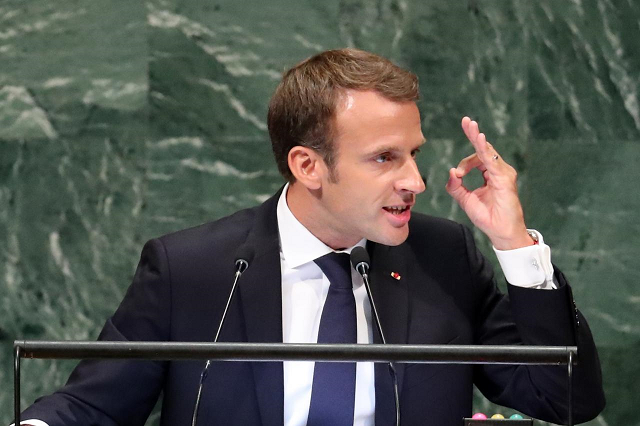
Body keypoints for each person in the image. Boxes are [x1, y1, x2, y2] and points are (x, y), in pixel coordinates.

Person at [18, 48, 604, 426]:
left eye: (414, 155)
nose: (416, 181)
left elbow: (565, 399)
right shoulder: (192, 268)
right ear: (308, 166)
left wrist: (516, 246)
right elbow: (92, 405)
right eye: (384, 158)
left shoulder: (442, 257)